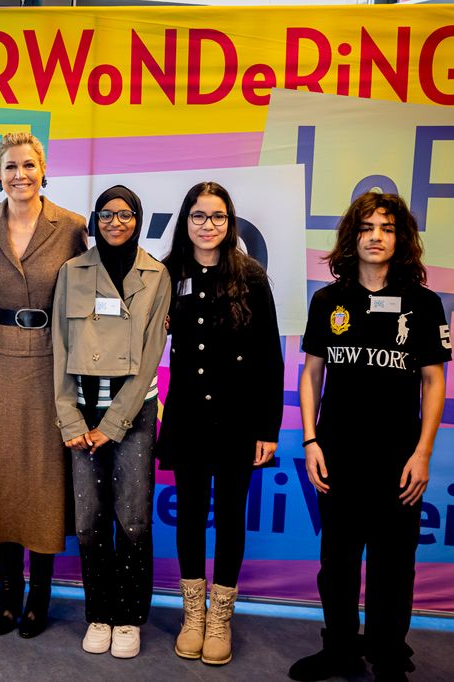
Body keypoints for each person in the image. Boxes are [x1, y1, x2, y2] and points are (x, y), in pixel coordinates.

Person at [289, 192, 450, 682]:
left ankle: (387, 654)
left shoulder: (423, 304)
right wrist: (312, 442)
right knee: (335, 564)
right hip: (338, 455)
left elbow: (434, 381)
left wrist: (422, 453)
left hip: (399, 461)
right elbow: (311, 375)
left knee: (393, 566)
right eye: (366, 227)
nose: (376, 236)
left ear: (400, 238)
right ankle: (339, 649)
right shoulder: (329, 300)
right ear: (352, 237)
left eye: (386, 227)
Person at [0, 131, 88, 638]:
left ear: (43, 169)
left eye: (29, 165)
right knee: (3, 478)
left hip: (52, 362)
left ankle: (39, 599)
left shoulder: (74, 226)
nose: (20, 175)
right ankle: (8, 598)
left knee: (42, 480)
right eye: (11, 166)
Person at [156, 181, 284, 665]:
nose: (207, 225)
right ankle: (193, 614)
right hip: (187, 415)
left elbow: (270, 359)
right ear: (185, 221)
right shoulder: (167, 273)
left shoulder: (250, 275)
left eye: (217, 217)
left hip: (237, 419)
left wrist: (267, 429)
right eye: (198, 216)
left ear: (229, 224)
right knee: (189, 516)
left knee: (230, 518)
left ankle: (220, 617)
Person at [52, 186, 171, 659]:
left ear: (138, 219)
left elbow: (150, 359)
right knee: (88, 521)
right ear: (95, 219)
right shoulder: (72, 271)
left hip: (134, 411)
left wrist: (114, 423)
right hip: (82, 412)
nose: (115, 222)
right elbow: (59, 346)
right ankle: (99, 613)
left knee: (135, 518)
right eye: (107, 214)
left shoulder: (157, 274)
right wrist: (68, 416)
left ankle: (129, 618)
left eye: (125, 215)